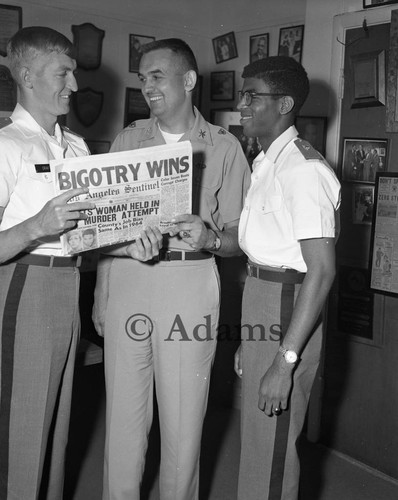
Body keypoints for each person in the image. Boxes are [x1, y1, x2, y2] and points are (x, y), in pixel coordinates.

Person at [0, 26, 161, 500]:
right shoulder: (7, 146)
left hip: (68, 286)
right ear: (26, 75)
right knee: (22, 425)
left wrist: (124, 246)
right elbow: (37, 233)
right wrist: (34, 227)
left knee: (57, 426)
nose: (73, 83)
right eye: (63, 72)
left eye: (72, 72)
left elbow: (82, 238)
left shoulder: (76, 148)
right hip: (22, 285)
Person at [93, 38, 251, 500]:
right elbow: (109, 228)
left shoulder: (225, 147)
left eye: (156, 76)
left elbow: (241, 238)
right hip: (128, 280)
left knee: (183, 425)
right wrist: (103, 293)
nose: (147, 86)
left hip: (190, 281)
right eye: (142, 78)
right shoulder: (128, 139)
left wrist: (211, 237)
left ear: (188, 80)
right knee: (123, 418)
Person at [234, 56, 341, 500]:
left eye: (251, 96)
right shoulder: (266, 163)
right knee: (259, 442)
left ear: (284, 104)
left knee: (274, 449)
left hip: (287, 303)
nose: (241, 105)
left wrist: (283, 362)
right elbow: (265, 252)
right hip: (263, 298)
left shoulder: (304, 170)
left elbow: (320, 270)